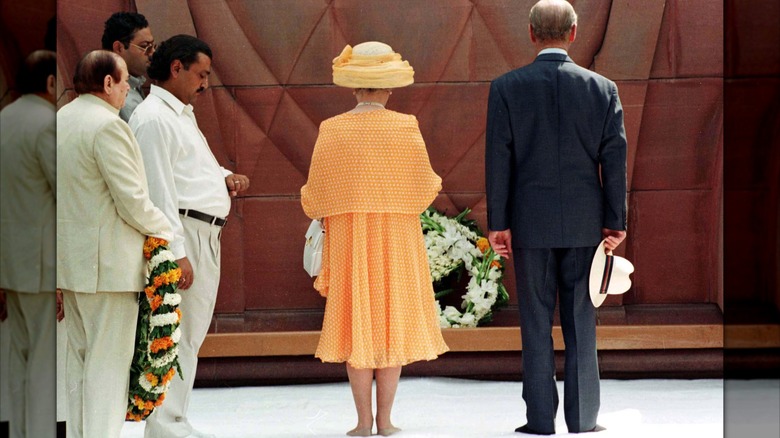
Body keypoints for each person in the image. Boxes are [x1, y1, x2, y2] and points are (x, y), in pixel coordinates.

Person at [485, 1, 628, 435]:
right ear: (574, 32)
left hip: (530, 225)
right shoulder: (602, 88)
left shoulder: (507, 88)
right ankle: (583, 419)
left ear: (531, 34)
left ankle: (539, 420)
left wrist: (498, 222)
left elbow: (499, 160)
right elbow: (615, 159)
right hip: (587, 225)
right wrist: (615, 220)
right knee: (581, 321)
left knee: (534, 321)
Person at [301, 41, 449, 437]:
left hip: (350, 239)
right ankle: (385, 421)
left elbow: (313, 196)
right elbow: (425, 188)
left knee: (357, 326)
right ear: (388, 88)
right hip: (396, 238)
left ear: (353, 88)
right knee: (390, 326)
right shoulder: (406, 126)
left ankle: (363, 423)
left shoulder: (331, 129)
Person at [129, 34, 250, 438]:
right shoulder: (152, 118)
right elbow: (158, 191)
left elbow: (189, 168)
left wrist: (223, 178)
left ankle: (174, 421)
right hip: (184, 234)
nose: (205, 83)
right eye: (201, 74)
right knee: (175, 333)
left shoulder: (179, 114)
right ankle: (164, 426)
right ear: (176, 68)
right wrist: (176, 252)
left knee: (191, 334)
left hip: (204, 232)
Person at [57, 50, 173, 438]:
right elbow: (133, 200)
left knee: (79, 368)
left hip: (71, 266)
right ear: (107, 83)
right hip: (108, 270)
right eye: (124, 82)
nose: (128, 89)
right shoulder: (108, 125)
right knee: (106, 372)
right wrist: (167, 232)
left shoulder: (61, 119)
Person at [0, 49, 57, 438]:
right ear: (51, 83)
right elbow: (63, 191)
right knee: (43, 361)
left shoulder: (3, 118)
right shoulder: (48, 123)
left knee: (18, 358)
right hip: (42, 262)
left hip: (8, 260)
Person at [102, 11, 156, 121]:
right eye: (145, 47)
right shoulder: (117, 94)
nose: (152, 53)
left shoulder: (134, 85)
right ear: (119, 48)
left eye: (153, 46)